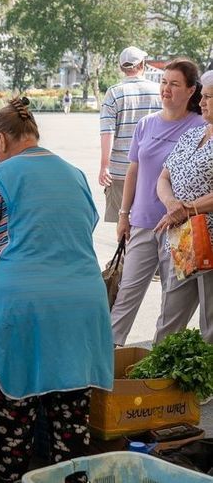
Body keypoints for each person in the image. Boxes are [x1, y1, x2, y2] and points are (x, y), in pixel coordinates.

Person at [0, 97, 113, 482]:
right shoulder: (74, 173)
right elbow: (68, 229)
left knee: (16, 418)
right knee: (71, 421)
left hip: (28, 308)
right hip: (83, 303)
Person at [110, 58, 205, 346]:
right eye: (164, 82)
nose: (166, 89)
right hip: (142, 221)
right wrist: (123, 215)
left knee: (172, 300)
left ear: (191, 90)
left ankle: (161, 361)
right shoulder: (146, 124)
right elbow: (134, 171)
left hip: (180, 227)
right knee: (127, 292)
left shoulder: (201, 127)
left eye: (174, 84)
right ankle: (107, 351)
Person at [153, 69, 213, 344]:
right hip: (183, 240)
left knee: (210, 326)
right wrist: (171, 203)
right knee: (169, 319)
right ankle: (156, 383)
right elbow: (164, 176)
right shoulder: (192, 135)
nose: (202, 102)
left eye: (209, 98)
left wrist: (187, 208)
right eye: (203, 96)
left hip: (210, 242)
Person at [100, 46, 162, 222]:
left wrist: (104, 165)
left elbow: (107, 131)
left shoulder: (114, 93)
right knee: (151, 224)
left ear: (121, 68)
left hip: (120, 170)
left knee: (123, 223)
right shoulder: (159, 90)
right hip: (153, 170)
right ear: (143, 64)